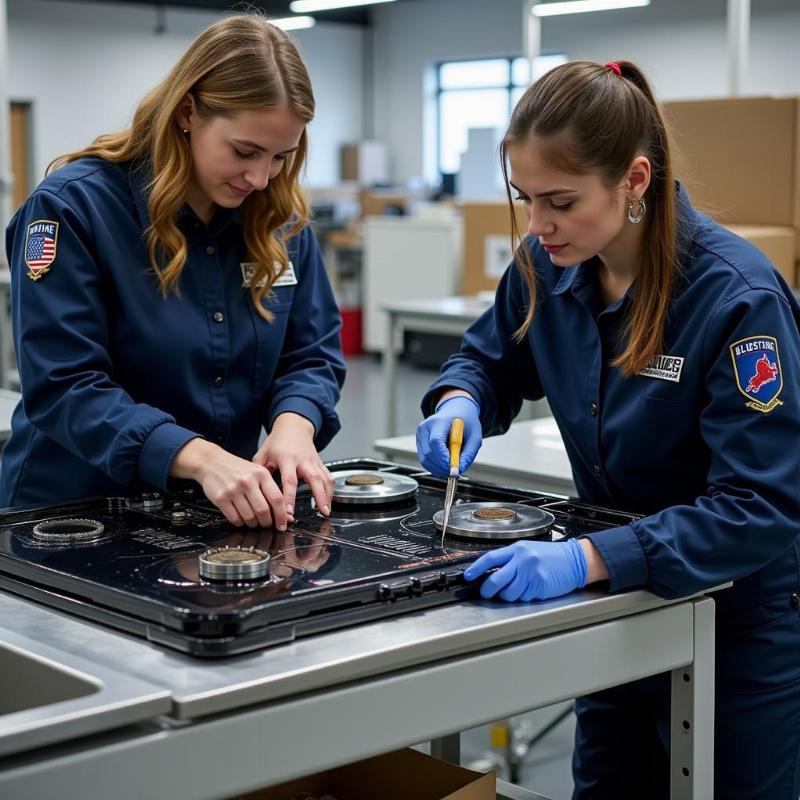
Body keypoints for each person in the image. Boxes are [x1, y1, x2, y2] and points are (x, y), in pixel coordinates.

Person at [417, 60, 800, 798]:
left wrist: (588, 557)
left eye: (560, 201)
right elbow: (489, 362)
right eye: (524, 199)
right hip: (619, 608)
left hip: (737, 627)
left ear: (634, 180)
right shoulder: (545, 265)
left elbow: (762, 505)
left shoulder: (735, 298)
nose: (537, 225)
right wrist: (459, 401)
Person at [1, 14, 345, 531]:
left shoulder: (280, 220)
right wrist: (199, 457)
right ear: (188, 111)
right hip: (70, 515)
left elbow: (312, 353)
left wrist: (296, 421)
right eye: (244, 152)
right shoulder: (74, 210)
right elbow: (66, 385)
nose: (259, 177)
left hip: (208, 515)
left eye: (280, 157)